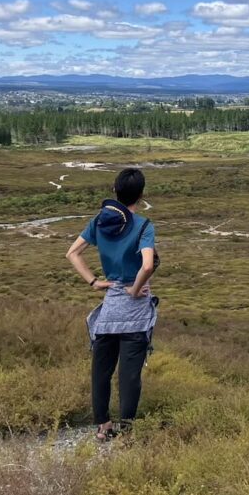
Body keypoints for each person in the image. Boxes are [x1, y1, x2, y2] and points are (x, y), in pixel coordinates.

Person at [66, 168, 158, 441]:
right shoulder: (143, 225)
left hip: (108, 309)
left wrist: (94, 282)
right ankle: (127, 431)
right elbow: (148, 265)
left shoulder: (99, 222)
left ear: (114, 190)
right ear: (141, 195)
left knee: (101, 369)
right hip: (135, 310)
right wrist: (135, 289)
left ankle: (102, 426)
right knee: (129, 375)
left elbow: (72, 253)